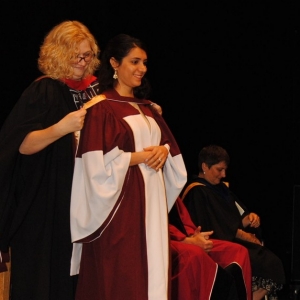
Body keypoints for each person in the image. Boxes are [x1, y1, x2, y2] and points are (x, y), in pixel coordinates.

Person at [69, 33, 187, 300]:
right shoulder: (101, 109)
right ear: (114, 63)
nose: (142, 69)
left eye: (144, 62)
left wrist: (162, 150)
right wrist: (137, 157)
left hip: (151, 206)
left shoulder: (148, 109)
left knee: (153, 271)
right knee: (124, 277)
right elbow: (92, 166)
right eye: (134, 62)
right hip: (119, 208)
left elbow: (171, 150)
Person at [0, 20, 101, 300]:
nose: (82, 62)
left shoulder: (93, 92)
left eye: (87, 55)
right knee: (45, 276)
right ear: (58, 54)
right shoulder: (44, 90)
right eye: (75, 55)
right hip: (46, 202)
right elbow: (20, 146)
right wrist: (62, 128)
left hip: (81, 200)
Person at [182, 144, 286, 300]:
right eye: (219, 169)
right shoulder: (197, 191)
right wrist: (244, 235)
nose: (223, 174)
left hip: (231, 239)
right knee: (270, 263)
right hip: (215, 244)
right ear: (205, 166)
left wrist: (250, 218)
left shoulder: (221, 189)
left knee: (270, 261)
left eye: (225, 169)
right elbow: (215, 227)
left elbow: (236, 217)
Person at [169, 196, 252, 300]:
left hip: (185, 237)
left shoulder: (222, 190)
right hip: (164, 242)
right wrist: (185, 240)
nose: (223, 178)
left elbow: (184, 220)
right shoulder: (197, 191)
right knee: (195, 255)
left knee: (239, 252)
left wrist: (194, 236)